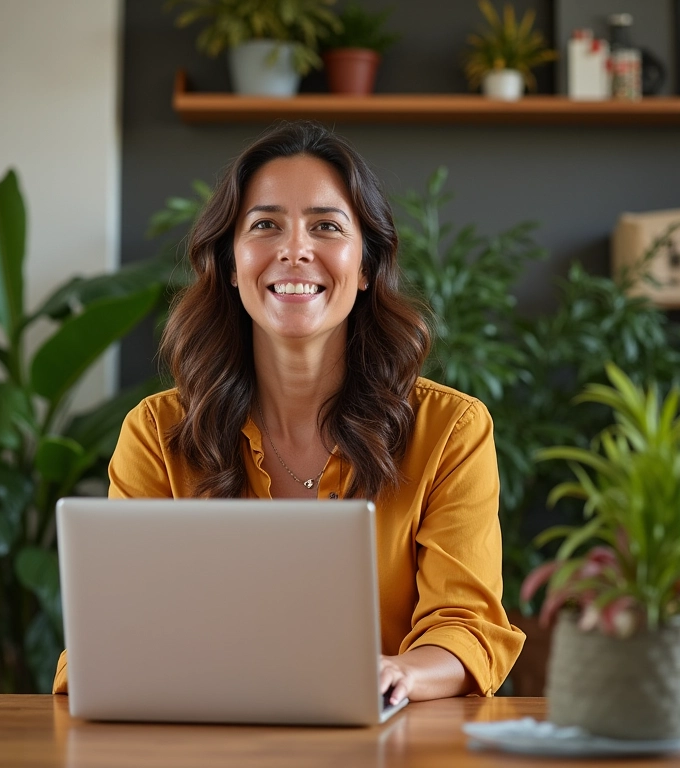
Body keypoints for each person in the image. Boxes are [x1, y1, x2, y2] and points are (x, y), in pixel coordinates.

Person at [52, 120, 524, 701]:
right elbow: (112, 635)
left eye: (326, 226)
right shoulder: (157, 432)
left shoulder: (450, 430)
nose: (295, 249)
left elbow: (466, 625)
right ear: (230, 262)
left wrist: (399, 673)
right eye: (265, 225)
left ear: (368, 265)